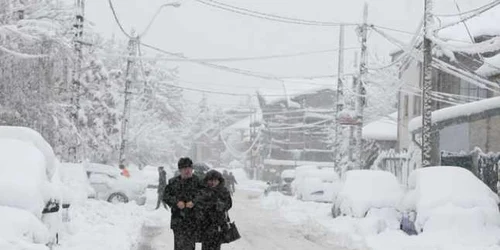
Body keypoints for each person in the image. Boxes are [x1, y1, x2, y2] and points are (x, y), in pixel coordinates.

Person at [163, 157, 203, 250]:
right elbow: (166, 196)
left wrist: (194, 202)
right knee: (179, 246)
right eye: (185, 168)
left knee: (190, 246)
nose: (187, 170)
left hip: (192, 220)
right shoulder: (173, 182)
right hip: (178, 220)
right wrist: (176, 202)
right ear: (180, 170)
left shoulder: (198, 182)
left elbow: (203, 195)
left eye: (189, 168)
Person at [196, 170, 232, 250]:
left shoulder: (224, 191)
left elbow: (228, 204)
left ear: (219, 181)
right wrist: (209, 205)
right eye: (210, 180)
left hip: (218, 225)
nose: (213, 182)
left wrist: (220, 205)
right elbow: (199, 205)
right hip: (205, 224)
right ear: (207, 180)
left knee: (216, 246)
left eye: (215, 180)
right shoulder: (203, 191)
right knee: (205, 246)